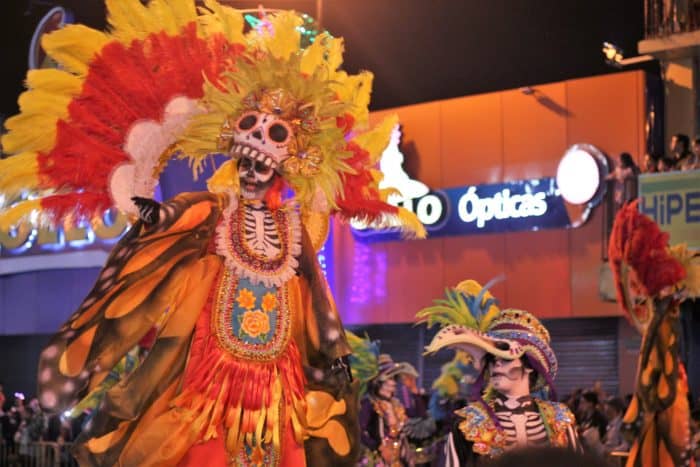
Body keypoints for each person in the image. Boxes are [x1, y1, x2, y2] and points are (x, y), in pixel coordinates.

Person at [0, 2, 425, 466]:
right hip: (210, 384)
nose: (250, 172)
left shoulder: (293, 228)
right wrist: (151, 210)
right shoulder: (214, 211)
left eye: (262, 165)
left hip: (278, 387)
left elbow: (315, 288)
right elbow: (173, 218)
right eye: (244, 162)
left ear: (280, 172)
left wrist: (333, 349)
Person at [417, 280, 580, 466]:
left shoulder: (560, 419)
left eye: (506, 358)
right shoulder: (467, 424)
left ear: (529, 366)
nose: (496, 365)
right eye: (492, 359)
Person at [359, 354, 413, 467]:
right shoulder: (369, 403)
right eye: (390, 378)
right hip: (377, 460)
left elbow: (417, 414)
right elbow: (359, 431)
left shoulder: (396, 404)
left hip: (398, 458)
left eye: (395, 378)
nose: (394, 382)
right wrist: (378, 447)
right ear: (379, 381)